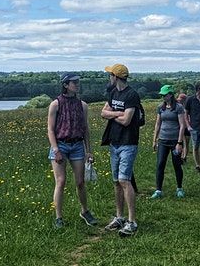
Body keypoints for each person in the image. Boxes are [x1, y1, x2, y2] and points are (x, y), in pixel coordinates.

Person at [47, 73, 99, 229]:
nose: (77, 84)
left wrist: (89, 150)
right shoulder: (55, 104)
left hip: (77, 145)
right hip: (60, 145)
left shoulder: (82, 105)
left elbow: (85, 129)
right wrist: (56, 149)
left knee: (80, 182)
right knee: (61, 181)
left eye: (78, 82)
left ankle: (84, 211)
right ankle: (58, 218)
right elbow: (50, 129)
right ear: (65, 85)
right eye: (74, 82)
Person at [100, 64, 141, 237]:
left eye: (110, 75)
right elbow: (103, 112)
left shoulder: (131, 95)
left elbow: (127, 120)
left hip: (128, 143)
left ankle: (132, 222)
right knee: (116, 181)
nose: (109, 77)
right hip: (114, 142)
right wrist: (118, 113)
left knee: (124, 180)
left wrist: (114, 114)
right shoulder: (113, 93)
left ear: (116, 77)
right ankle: (119, 217)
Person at [151, 85, 186, 199]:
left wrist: (179, 143)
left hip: (175, 140)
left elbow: (182, 125)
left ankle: (179, 188)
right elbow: (158, 123)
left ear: (170, 95)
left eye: (164, 95)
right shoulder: (161, 107)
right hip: (163, 140)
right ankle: (158, 190)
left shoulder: (178, 108)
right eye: (162, 95)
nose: (163, 97)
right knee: (160, 164)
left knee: (177, 165)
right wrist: (154, 139)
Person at [177, 92, 189, 162]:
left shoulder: (187, 107)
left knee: (186, 142)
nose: (179, 100)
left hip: (186, 126)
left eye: (181, 99)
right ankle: (182, 156)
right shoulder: (177, 107)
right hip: (180, 126)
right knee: (181, 141)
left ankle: (184, 156)